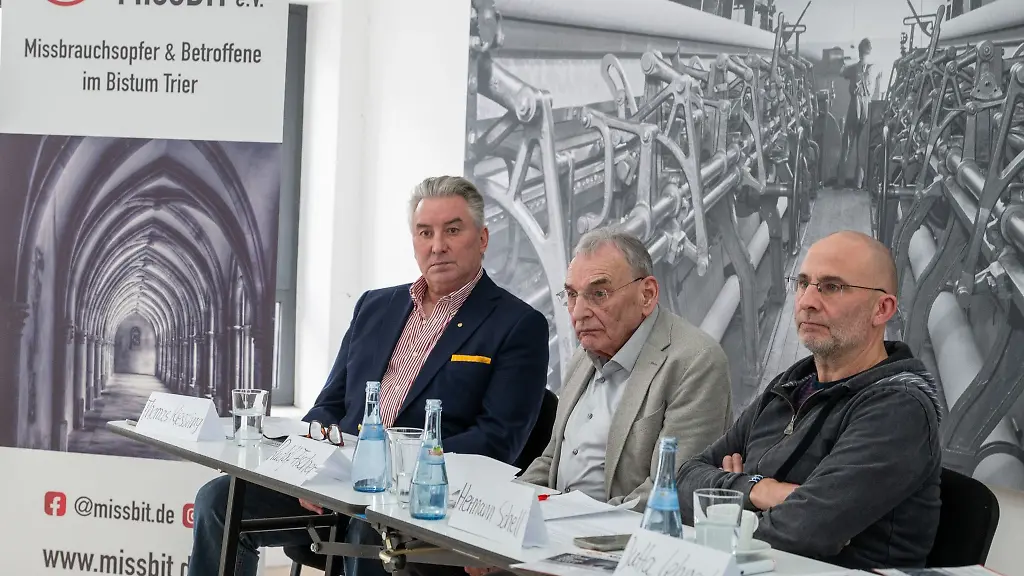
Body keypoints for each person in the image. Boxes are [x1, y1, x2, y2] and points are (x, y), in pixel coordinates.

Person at [187, 175, 551, 576]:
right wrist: (311, 468)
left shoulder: (518, 324)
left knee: (369, 534)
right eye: (424, 232)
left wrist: (390, 467)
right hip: (337, 484)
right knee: (218, 502)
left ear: (482, 238)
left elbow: (499, 441)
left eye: (452, 230)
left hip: (423, 502)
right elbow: (329, 404)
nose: (437, 245)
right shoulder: (377, 306)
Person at [466, 228, 733, 576]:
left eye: (599, 293)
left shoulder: (695, 362)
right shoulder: (584, 355)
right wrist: (504, 522)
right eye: (573, 295)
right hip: (555, 546)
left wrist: (563, 532)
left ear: (647, 294)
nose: (579, 312)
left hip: (620, 557)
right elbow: (552, 459)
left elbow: (670, 491)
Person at [676, 230, 943, 570]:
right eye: (803, 283)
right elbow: (683, 481)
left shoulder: (899, 409)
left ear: (882, 309)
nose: (806, 301)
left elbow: (799, 533)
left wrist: (726, 501)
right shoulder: (789, 386)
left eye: (832, 287)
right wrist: (762, 489)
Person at [840, 38, 875, 189]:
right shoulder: (869, 68)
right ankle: (857, 183)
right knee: (861, 145)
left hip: (860, 105)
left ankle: (845, 181)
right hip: (864, 105)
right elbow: (843, 72)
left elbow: (842, 71)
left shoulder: (860, 68)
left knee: (852, 144)